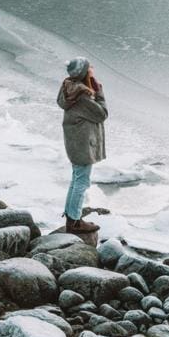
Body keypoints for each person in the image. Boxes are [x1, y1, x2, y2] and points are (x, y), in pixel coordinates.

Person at [57, 56, 108, 234]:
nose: (92, 69)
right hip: (82, 145)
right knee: (82, 182)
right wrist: (98, 89)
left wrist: (91, 83)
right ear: (84, 73)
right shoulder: (82, 97)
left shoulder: (68, 87)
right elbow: (102, 114)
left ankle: (71, 216)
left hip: (74, 142)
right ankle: (75, 222)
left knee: (76, 179)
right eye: (90, 68)